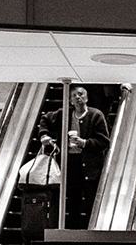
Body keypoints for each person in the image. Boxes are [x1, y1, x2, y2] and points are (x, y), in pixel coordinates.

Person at [36, 85, 111, 228]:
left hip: (90, 166)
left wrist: (84, 143)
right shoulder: (63, 114)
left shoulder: (96, 115)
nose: (78, 97)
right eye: (74, 96)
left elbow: (104, 141)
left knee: (90, 199)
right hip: (70, 163)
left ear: (87, 98)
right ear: (70, 100)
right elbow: (45, 118)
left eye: (81, 94)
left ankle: (91, 230)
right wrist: (44, 135)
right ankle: (73, 230)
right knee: (72, 199)